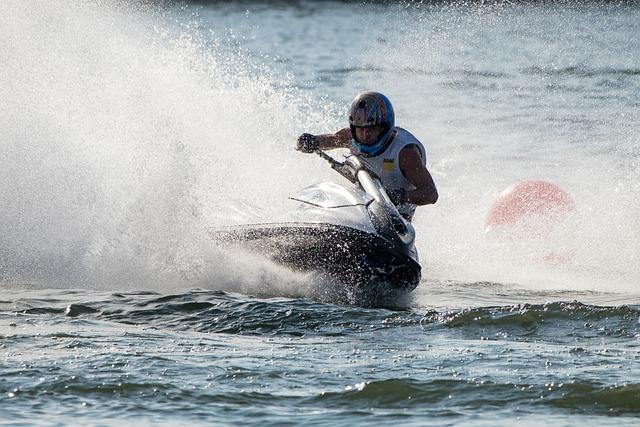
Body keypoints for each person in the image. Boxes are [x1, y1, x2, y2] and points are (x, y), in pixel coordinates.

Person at [296, 91, 438, 221]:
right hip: (364, 205)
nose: (364, 135)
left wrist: (399, 196)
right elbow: (332, 139)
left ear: (383, 127)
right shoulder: (350, 137)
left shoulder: (405, 153)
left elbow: (431, 193)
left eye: (370, 129)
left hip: (399, 216)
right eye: (360, 129)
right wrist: (312, 141)